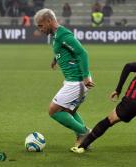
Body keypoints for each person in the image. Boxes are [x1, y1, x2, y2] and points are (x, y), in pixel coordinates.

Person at [33, 8, 94, 148]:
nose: (40, 29)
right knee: (70, 111)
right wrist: (56, 59)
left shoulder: (62, 35)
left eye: (41, 25)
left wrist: (85, 77)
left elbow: (82, 53)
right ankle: (83, 139)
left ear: (49, 21)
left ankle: (85, 133)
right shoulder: (55, 35)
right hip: (73, 80)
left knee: (53, 111)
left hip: (77, 81)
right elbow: (65, 49)